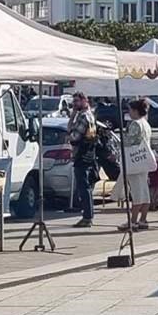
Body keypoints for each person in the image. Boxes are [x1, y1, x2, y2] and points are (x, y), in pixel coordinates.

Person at [66, 92, 100, 227]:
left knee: (83, 187)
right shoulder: (89, 115)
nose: (74, 104)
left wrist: (69, 133)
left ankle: (87, 217)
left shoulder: (84, 117)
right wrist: (73, 115)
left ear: (85, 101)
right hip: (89, 154)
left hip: (82, 155)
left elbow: (73, 136)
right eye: (73, 102)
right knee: (86, 187)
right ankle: (88, 215)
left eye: (77, 101)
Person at [121, 98, 155, 231]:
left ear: (135, 111)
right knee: (144, 191)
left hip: (134, 160)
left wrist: (122, 138)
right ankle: (143, 219)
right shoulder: (146, 123)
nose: (129, 113)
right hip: (143, 159)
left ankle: (133, 221)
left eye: (130, 110)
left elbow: (130, 142)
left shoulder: (135, 124)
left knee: (136, 192)